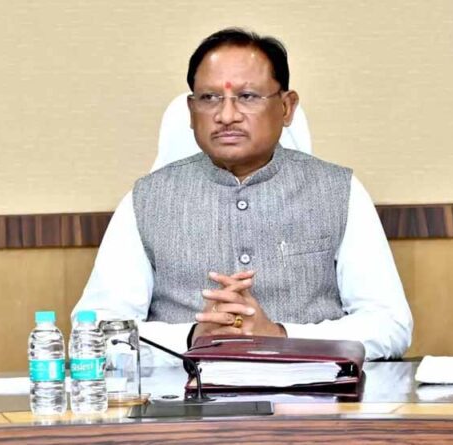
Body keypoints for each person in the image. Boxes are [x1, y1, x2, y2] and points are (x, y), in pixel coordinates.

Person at [73, 28, 413, 366]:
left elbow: (390, 325)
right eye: (209, 98)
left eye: (247, 96)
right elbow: (94, 332)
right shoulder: (147, 199)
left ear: (286, 107)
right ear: (191, 111)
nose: (226, 115)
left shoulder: (339, 191)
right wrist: (192, 339)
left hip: (312, 396)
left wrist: (281, 338)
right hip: (181, 396)